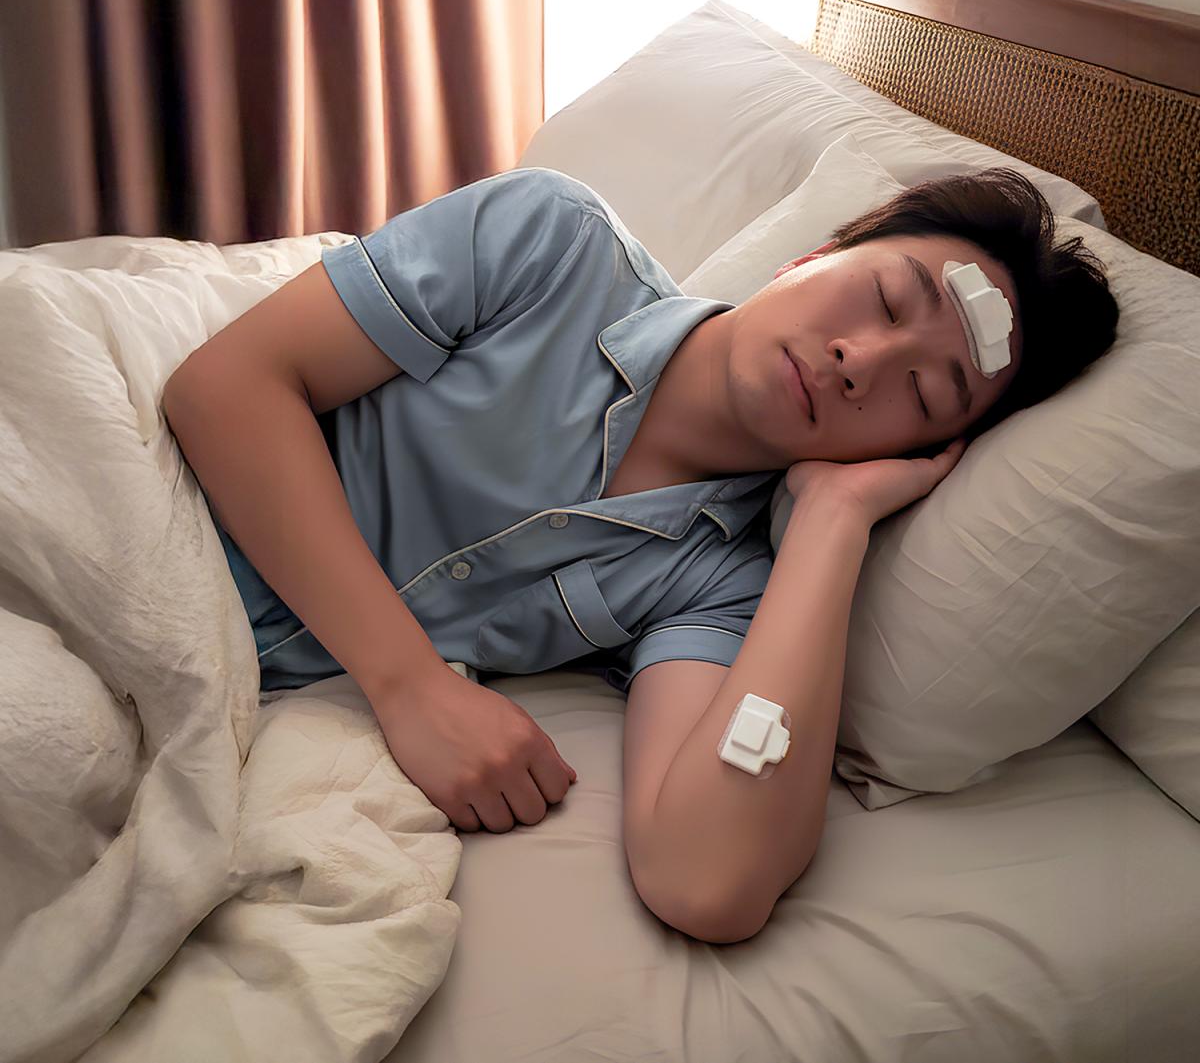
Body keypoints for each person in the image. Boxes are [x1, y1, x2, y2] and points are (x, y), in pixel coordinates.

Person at [163, 165, 1118, 938]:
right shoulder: (552, 240)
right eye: (882, 298)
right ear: (813, 255)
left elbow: (705, 880)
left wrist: (834, 524)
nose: (860, 361)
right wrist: (411, 684)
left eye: (923, 393)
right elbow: (224, 388)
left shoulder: (725, 581)